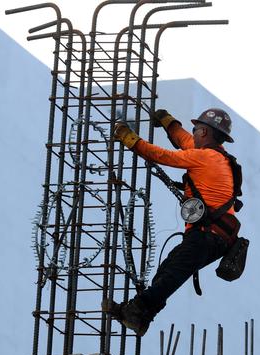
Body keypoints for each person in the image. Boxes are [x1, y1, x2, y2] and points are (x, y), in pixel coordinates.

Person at [104, 108, 243, 336]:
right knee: (169, 269)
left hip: (208, 234)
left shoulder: (205, 157)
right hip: (214, 236)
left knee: (172, 274)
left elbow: (164, 156)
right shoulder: (214, 155)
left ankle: (136, 312)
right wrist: (169, 124)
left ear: (205, 132)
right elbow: (185, 140)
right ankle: (139, 316)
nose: (193, 133)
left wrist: (131, 140)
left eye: (196, 129)